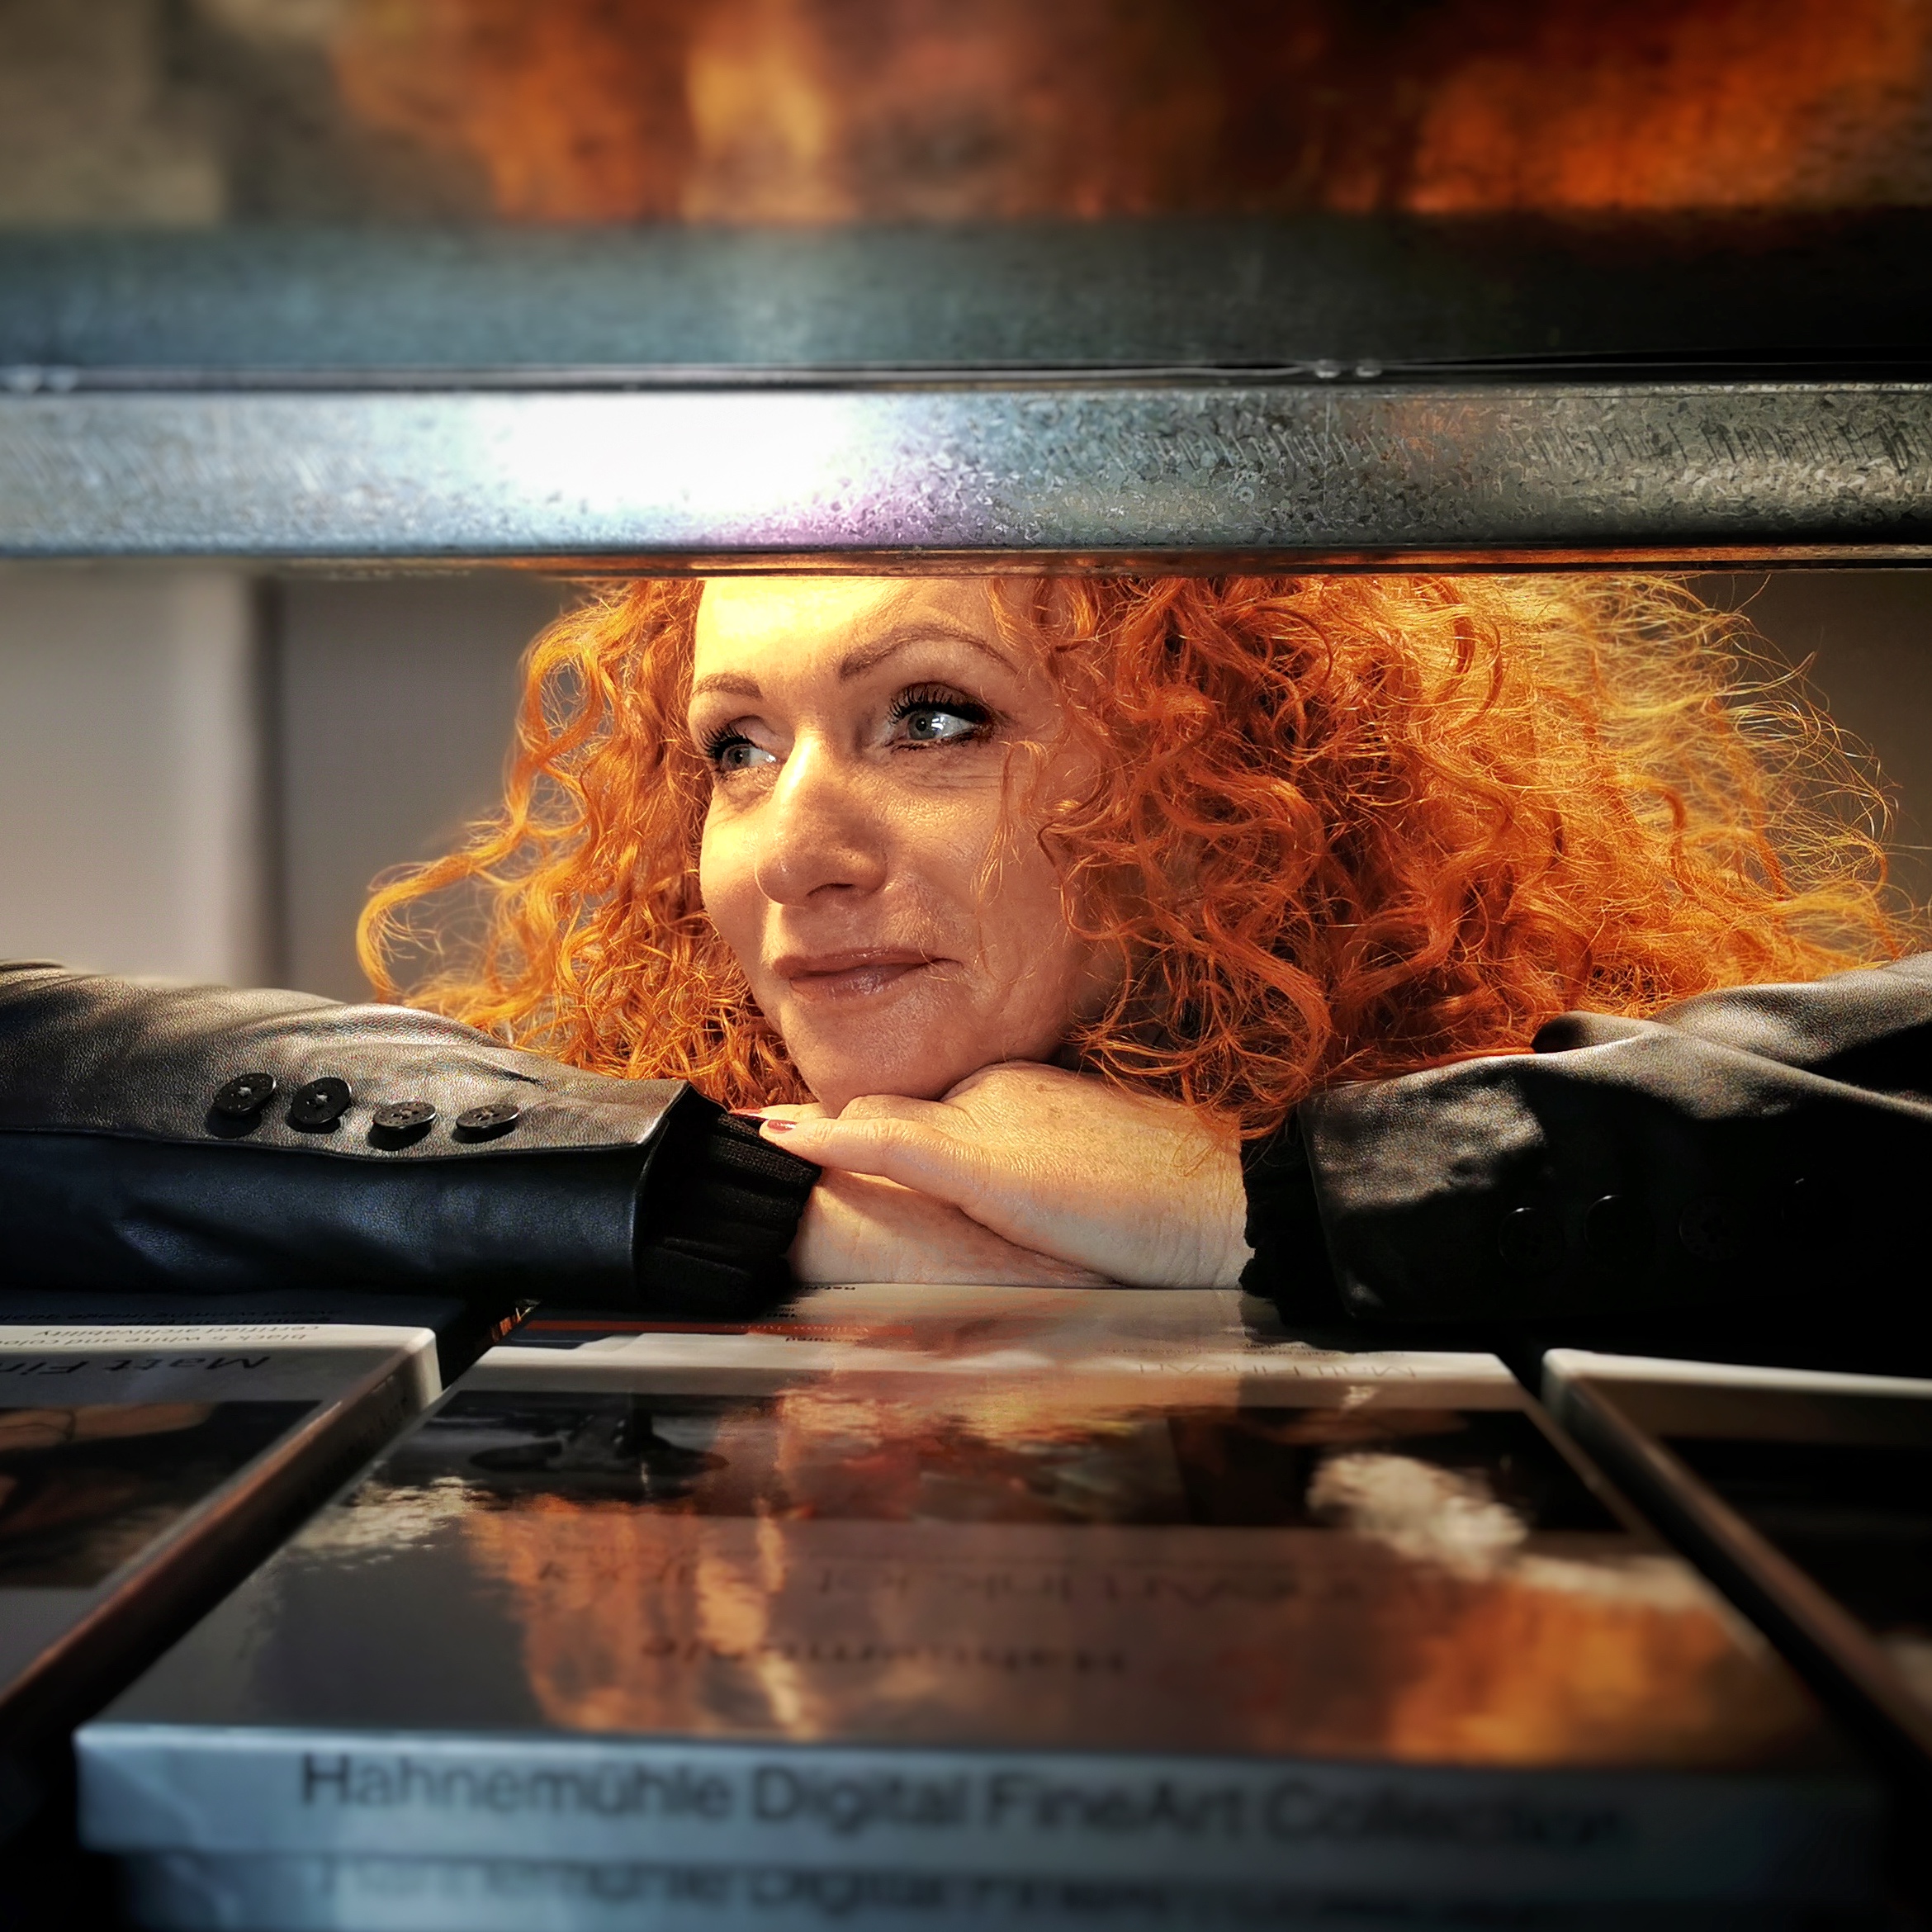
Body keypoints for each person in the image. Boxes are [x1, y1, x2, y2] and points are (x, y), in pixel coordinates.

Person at [2, 574, 1929, 1347]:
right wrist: (734, 1207)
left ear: (1234, 784)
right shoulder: (666, 1188)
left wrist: (1257, 1206)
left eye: (935, 718)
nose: (793, 851)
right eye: (735, 749)